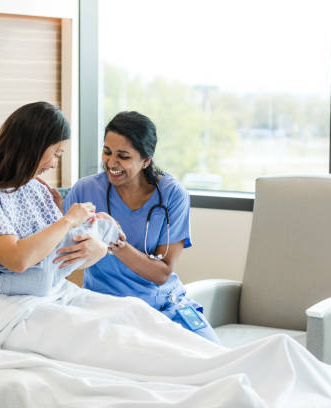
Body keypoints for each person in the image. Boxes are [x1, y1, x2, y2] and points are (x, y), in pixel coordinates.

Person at [0, 101, 109, 322]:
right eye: (56, 154)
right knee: (99, 334)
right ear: (33, 147)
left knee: (130, 313)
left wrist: (97, 251)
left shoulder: (37, 189)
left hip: (46, 294)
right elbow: (17, 260)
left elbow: (57, 261)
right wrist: (67, 220)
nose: (54, 165)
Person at [63, 111, 220, 343]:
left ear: (146, 160)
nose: (111, 163)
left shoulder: (172, 195)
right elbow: (60, 251)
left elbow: (161, 273)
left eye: (123, 156)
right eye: (107, 152)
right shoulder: (85, 190)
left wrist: (114, 241)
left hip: (162, 305)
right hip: (105, 307)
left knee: (213, 353)